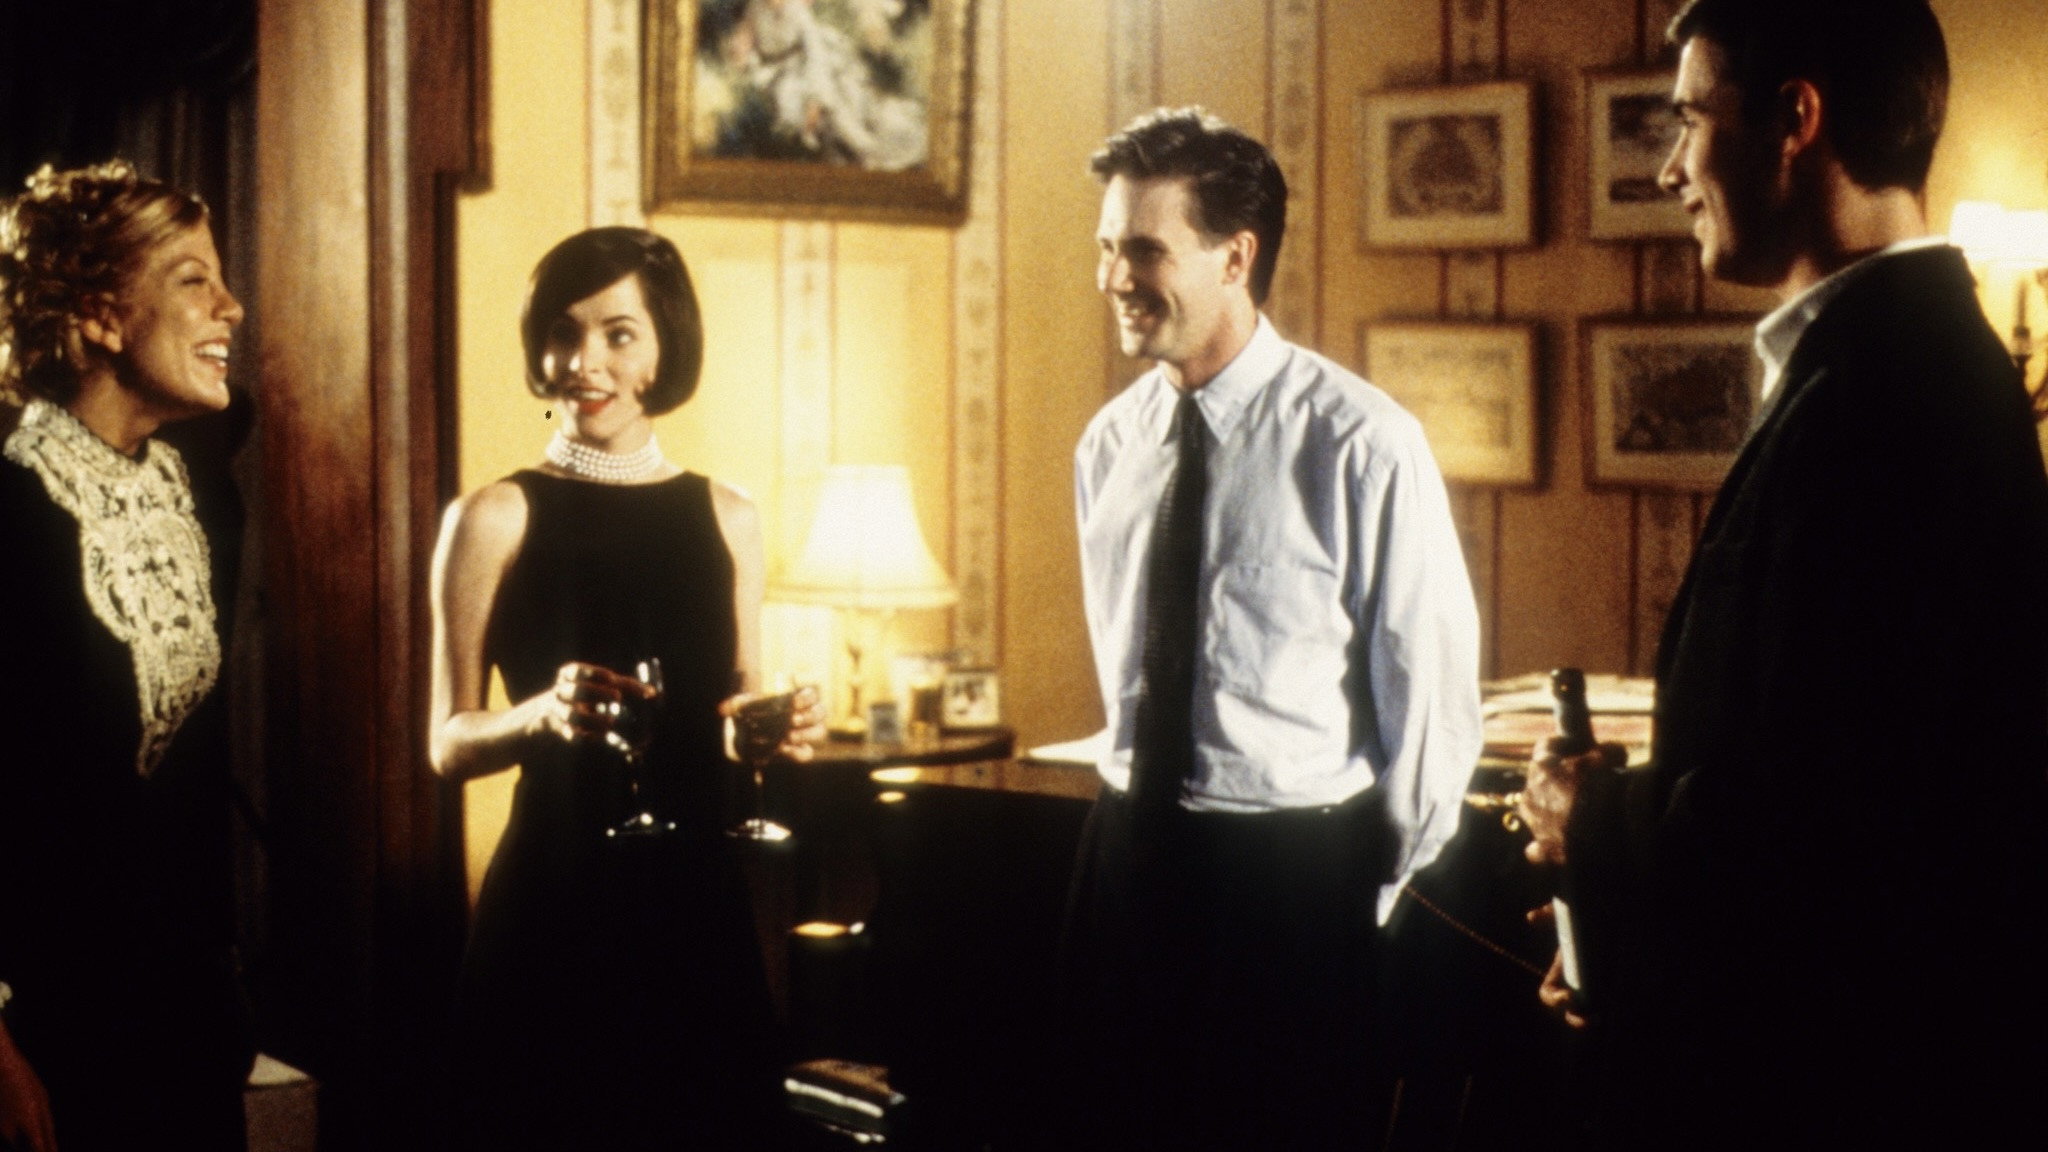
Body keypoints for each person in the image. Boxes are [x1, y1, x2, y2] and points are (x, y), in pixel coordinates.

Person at [1519, 2, 2048, 1147]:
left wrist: (1588, 818)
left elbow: (1828, 828)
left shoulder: (1891, 396)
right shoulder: (1885, 362)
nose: (1668, 170)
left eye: (1686, 120)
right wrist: (1630, 952)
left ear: (1792, 120)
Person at [1060, 107, 1484, 1149]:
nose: (1113, 277)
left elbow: (1428, 708)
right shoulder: (1108, 447)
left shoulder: (1362, 444)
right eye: (1106, 247)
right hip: (1125, 860)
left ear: (1235, 257)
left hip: (1290, 887)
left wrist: (1347, 891)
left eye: (1144, 249)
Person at [429, 226, 822, 1150]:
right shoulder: (493, 514)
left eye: (618, 334)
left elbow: (732, 718)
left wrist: (769, 729)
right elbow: (447, 744)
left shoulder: (729, 515)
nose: (584, 362)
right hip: (553, 910)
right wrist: (538, 716)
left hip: (696, 913)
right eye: (564, 332)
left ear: (661, 349)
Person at [0, 160, 254, 1152]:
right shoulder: (10, 512)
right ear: (101, 317)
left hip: (181, 1020)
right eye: (194, 279)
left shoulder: (200, 496)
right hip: (43, 1025)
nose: (231, 307)